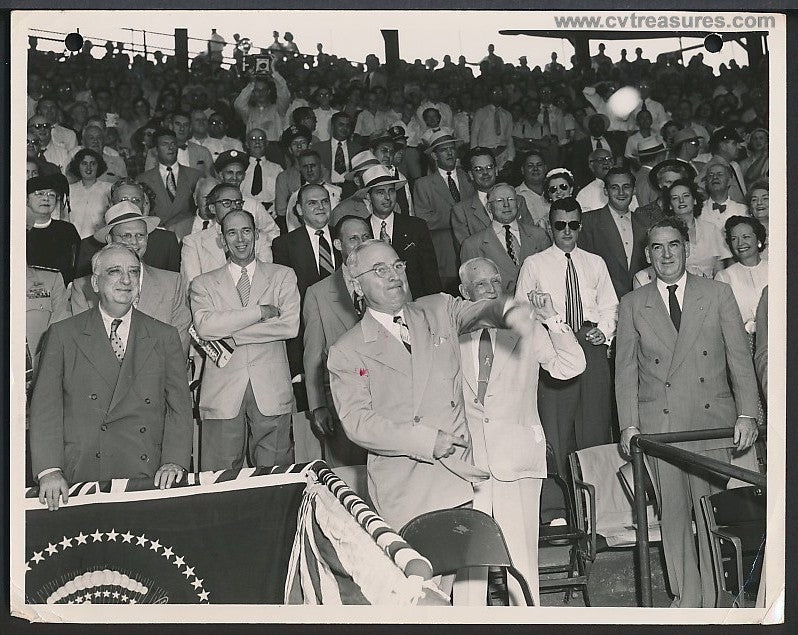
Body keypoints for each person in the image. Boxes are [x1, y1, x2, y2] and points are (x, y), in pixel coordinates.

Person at [327, 238, 537, 534]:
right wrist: (425, 441)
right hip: (404, 485)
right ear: (357, 285)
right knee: (416, 577)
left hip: (456, 475)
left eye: (397, 265)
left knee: (458, 574)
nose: (393, 275)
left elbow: (479, 311)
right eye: (379, 269)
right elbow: (359, 424)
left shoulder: (438, 308)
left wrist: (508, 310)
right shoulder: (347, 349)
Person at [615, 217, 759, 608]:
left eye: (673, 246)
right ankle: (687, 599)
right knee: (674, 519)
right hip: (660, 428)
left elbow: (739, 359)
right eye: (657, 248)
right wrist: (629, 424)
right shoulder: (631, 304)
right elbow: (625, 371)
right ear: (647, 255)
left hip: (710, 424)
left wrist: (748, 413)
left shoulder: (716, 294)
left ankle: (718, 598)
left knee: (712, 516)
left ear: (686, 248)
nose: (666, 255)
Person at [455, 257, 585, 606]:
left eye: (497, 282)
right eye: (482, 284)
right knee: (469, 563)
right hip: (466, 463)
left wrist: (553, 318)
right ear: (464, 292)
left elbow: (570, 366)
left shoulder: (524, 327)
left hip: (517, 460)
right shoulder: (449, 333)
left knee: (521, 560)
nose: (492, 290)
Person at [30, 243, 193, 510]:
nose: (126, 280)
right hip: (80, 475)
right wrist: (49, 469)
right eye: (115, 271)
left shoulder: (164, 335)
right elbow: (46, 407)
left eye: (133, 272)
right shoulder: (62, 334)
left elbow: (179, 407)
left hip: (148, 474)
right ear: (95, 282)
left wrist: (174, 460)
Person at [515, 197, 617, 480]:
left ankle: (597, 490)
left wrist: (605, 331)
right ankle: (563, 494)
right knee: (558, 426)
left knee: (595, 422)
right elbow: (521, 312)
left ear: (580, 226)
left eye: (573, 225)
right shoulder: (534, 264)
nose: (567, 231)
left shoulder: (595, 263)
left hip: (590, 342)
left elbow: (610, 305)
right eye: (560, 225)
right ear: (550, 227)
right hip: (553, 344)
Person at [190, 209, 300, 470]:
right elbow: (204, 328)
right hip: (222, 394)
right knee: (219, 483)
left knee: (275, 479)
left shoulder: (283, 275)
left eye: (246, 231)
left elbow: (289, 326)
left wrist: (228, 334)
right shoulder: (202, 283)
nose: (240, 239)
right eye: (231, 232)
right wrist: (260, 312)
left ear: (257, 234)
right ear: (221, 240)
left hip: (272, 391)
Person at [69, 201, 191, 354]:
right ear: (109, 239)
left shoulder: (172, 283)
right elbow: (82, 342)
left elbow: (180, 338)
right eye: (126, 236)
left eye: (140, 235)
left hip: (157, 374)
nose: (134, 242)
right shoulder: (83, 287)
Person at [302, 215, 372, 467]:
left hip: (386, 400)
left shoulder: (391, 285)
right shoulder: (318, 293)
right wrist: (317, 406)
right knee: (346, 476)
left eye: (366, 237)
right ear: (338, 244)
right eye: (354, 238)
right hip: (340, 401)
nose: (362, 243)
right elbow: (311, 357)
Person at [359, 164, 441, 300]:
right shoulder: (362, 229)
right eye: (380, 192)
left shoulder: (416, 227)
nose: (387, 197)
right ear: (368, 197)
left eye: (391, 191)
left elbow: (430, 274)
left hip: (414, 303)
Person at [74, 179, 182, 278]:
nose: (129, 204)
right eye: (123, 200)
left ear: (144, 204)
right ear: (111, 205)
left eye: (136, 200)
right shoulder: (88, 247)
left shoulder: (167, 241)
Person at [460, 183, 550, 295]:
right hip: (497, 310)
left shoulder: (539, 235)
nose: (506, 205)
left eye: (511, 199)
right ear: (489, 208)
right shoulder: (472, 245)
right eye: (499, 201)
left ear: (518, 204)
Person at [181, 183, 276, 288]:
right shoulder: (193, 242)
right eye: (226, 203)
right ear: (212, 208)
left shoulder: (260, 239)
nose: (234, 207)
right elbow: (193, 287)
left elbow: (265, 281)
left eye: (238, 203)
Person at [413, 129, 474, 292]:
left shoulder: (469, 177)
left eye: (452, 148)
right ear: (434, 156)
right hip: (443, 254)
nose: (449, 153)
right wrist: (460, 216)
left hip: (473, 249)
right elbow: (425, 220)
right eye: (443, 150)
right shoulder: (423, 184)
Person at [578, 167, 648, 299]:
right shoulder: (588, 222)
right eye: (615, 187)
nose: (621, 192)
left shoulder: (645, 223)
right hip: (602, 301)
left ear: (634, 190)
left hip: (639, 301)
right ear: (606, 191)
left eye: (626, 187)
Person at [137, 127, 203, 232]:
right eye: (165, 144)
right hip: (158, 236)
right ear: (155, 150)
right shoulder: (143, 179)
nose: (170, 148)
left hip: (187, 234)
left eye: (173, 144)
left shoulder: (194, 176)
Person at [714, 216, 768, 335]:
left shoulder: (774, 270)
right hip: (743, 343)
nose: (740, 243)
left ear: (758, 239)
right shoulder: (723, 277)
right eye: (734, 239)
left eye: (746, 237)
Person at [214, 149, 281, 240]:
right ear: (221, 175)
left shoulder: (253, 205)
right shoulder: (213, 203)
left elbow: (273, 232)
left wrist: (258, 248)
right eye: (230, 173)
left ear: (244, 176)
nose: (234, 178)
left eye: (239, 173)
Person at [26, 174, 81, 285]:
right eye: (39, 194)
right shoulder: (15, 231)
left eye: (51, 195)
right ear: (26, 199)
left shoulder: (67, 231)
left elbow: (77, 267)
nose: (46, 198)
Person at [283, 150, 342, 231]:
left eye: (313, 165)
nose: (309, 170)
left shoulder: (338, 191)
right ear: (300, 169)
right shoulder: (296, 197)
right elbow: (293, 227)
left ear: (320, 166)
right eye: (305, 166)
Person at [144, 112, 214, 177]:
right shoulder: (155, 152)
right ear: (171, 126)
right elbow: (149, 179)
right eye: (178, 124)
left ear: (190, 128)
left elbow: (211, 179)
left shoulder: (203, 152)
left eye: (186, 125)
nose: (182, 128)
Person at [66, 148, 112, 238]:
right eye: (84, 163)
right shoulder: (69, 190)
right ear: (77, 166)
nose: (89, 168)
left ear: (98, 166)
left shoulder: (108, 188)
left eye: (93, 163)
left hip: (99, 241)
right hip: (73, 241)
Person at [313, 112, 362, 195]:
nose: (344, 128)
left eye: (347, 125)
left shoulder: (357, 149)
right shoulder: (318, 148)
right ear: (332, 127)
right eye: (341, 125)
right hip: (326, 189)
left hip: (350, 191)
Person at [576, 148, 638, 213]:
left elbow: (635, 211)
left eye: (608, 159)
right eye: (600, 160)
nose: (606, 163)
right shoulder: (584, 194)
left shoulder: (625, 187)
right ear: (591, 166)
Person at [700, 156, 748, 237]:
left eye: (720, 174)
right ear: (706, 183)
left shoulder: (743, 210)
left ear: (729, 181)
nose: (715, 177)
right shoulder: (698, 210)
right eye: (711, 175)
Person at [470, 85, 514, 171]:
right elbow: (474, 135)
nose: (498, 95)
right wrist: (474, 156)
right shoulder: (481, 112)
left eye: (500, 93)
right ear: (490, 95)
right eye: (495, 93)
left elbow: (509, 137)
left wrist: (510, 158)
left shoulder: (507, 115)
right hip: (485, 153)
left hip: (502, 153)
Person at [241, 127, 284, 213]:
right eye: (253, 139)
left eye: (261, 139)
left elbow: (282, 194)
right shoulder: (241, 167)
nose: (257, 142)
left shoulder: (277, 168)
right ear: (246, 144)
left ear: (266, 143)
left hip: (271, 211)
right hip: (245, 210)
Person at [515, 151, 550, 233]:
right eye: (530, 165)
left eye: (539, 165)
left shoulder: (556, 191)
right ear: (523, 170)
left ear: (545, 168)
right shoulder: (516, 195)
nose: (535, 169)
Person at [747, 179, 769, 260]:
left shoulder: (786, 228)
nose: (759, 203)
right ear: (750, 207)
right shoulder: (745, 231)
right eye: (754, 200)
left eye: (765, 198)